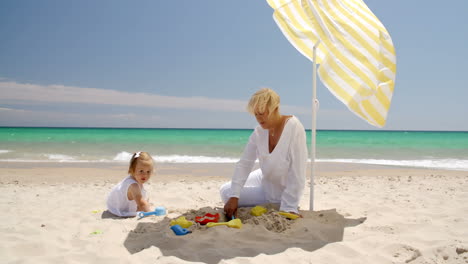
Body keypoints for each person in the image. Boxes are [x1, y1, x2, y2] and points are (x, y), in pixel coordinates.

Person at [220, 88, 308, 219]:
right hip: (265, 176)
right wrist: (234, 196)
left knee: (230, 194)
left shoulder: (294, 126)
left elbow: (298, 171)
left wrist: (289, 207)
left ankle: (283, 203)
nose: (259, 118)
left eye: (262, 113)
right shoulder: (259, 131)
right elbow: (245, 163)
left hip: (278, 192)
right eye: (256, 114)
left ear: (275, 109)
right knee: (227, 192)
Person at [107, 151, 154, 217]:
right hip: (117, 207)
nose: (145, 175)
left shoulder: (137, 177)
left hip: (120, 200)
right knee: (141, 202)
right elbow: (141, 203)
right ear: (132, 169)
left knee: (143, 198)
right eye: (141, 171)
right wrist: (151, 213)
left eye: (148, 171)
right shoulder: (133, 185)